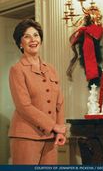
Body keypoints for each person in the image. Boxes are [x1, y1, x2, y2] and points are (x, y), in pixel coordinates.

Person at [8, 19, 66, 164]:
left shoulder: (51, 69)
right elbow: (23, 106)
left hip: (51, 138)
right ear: (20, 43)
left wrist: (59, 130)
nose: (33, 39)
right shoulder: (17, 70)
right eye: (27, 36)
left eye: (36, 35)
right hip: (26, 137)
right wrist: (53, 126)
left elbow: (59, 103)